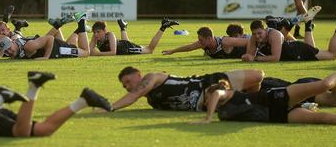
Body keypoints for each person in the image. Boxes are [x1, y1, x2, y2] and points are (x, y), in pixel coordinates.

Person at [194, 54, 336, 124]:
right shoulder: (223, 113)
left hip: (277, 97)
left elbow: (216, 93)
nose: (206, 102)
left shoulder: (226, 94)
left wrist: (207, 118)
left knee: (324, 85)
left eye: (206, 98)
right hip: (276, 116)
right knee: (325, 118)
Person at [111, 67, 265, 112]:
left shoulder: (152, 77)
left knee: (258, 75)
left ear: (139, 75)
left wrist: (111, 107)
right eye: (125, 86)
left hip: (206, 83)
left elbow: (135, 95)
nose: (128, 87)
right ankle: (253, 104)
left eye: (128, 82)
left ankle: (254, 100)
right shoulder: (153, 101)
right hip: (205, 101)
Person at [241, 12, 336, 62]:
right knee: (311, 47)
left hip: (298, 51)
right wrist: (247, 57)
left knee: (331, 55)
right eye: (254, 34)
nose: (257, 36)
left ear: (265, 30)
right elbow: (249, 55)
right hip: (297, 51)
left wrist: (255, 58)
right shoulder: (254, 38)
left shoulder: (274, 34)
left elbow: (275, 58)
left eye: (259, 33)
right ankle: (308, 22)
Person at [1, 12, 90, 60]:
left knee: (86, 52)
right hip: (54, 46)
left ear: (12, 42)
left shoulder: (28, 47)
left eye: (9, 48)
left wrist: (46, 57)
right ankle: (58, 26)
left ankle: (81, 20)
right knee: (71, 45)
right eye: (6, 51)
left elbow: (50, 38)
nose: (9, 52)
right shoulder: (17, 43)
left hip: (58, 50)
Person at [260, 71, 336, 107]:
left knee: (334, 101)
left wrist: (303, 105)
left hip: (299, 90)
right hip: (304, 82)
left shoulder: (250, 93)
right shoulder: (260, 80)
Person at [90, 18, 177, 56]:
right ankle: (123, 27)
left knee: (150, 49)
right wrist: (93, 52)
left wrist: (97, 54)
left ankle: (163, 26)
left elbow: (113, 53)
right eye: (94, 32)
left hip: (127, 48)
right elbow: (89, 51)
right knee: (125, 41)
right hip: (123, 45)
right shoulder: (95, 37)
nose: (96, 34)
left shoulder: (110, 35)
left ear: (104, 30)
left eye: (98, 32)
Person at [162, 25, 249, 59]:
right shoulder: (202, 44)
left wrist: (251, 54)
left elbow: (248, 42)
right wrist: (172, 51)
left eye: (201, 40)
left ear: (209, 38)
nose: (199, 42)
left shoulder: (225, 42)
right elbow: (189, 47)